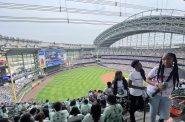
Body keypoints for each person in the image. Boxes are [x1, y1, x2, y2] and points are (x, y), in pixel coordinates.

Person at [146, 53, 185, 122]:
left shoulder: (178, 71)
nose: (166, 61)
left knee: (165, 115)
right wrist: (156, 84)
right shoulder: (156, 69)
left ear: (173, 60)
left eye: (168, 59)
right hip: (155, 93)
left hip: (167, 95)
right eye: (164, 59)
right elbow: (148, 79)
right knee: (153, 112)